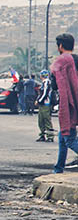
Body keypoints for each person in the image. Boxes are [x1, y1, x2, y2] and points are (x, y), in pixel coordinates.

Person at [51, 34, 78, 173]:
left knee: (69, 138)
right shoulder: (76, 59)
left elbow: (55, 86)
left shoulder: (61, 62)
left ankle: (58, 169)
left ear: (60, 46)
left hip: (69, 104)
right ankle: (58, 168)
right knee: (63, 136)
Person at [36, 70, 55, 142]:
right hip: (43, 104)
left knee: (47, 120)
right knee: (41, 120)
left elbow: (45, 93)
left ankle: (50, 136)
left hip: (46, 104)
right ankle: (42, 135)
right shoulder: (44, 82)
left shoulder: (47, 82)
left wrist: (39, 101)